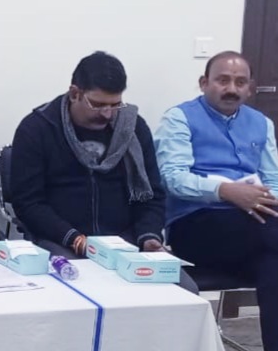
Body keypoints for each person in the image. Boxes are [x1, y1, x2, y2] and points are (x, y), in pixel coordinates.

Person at [156, 51, 278, 351]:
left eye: (240, 82)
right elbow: (172, 178)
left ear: (250, 88)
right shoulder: (179, 118)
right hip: (197, 223)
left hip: (258, 226)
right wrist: (226, 191)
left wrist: (269, 198)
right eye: (223, 80)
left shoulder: (261, 123)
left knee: (274, 267)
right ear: (204, 83)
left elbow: (273, 177)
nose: (231, 89)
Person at [9, 52, 176, 260]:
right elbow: (29, 203)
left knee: (179, 279)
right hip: (61, 240)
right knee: (79, 277)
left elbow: (152, 196)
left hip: (126, 240)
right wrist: (75, 239)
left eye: (115, 105)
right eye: (97, 105)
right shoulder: (38, 128)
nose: (107, 113)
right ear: (74, 94)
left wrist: (149, 235)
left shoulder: (133, 128)